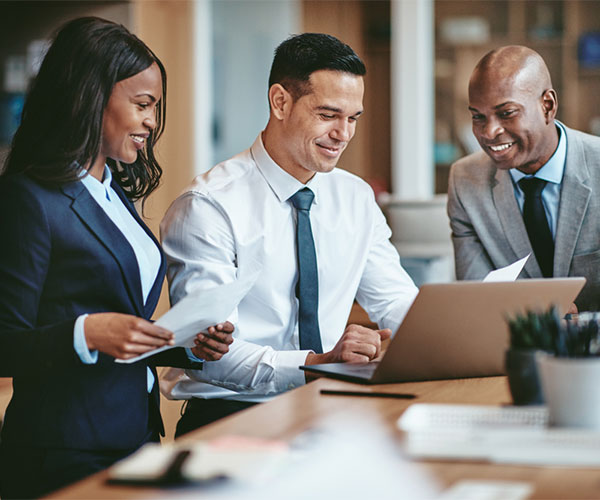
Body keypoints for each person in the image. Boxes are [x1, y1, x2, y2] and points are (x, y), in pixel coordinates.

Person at [0, 17, 233, 498]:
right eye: (143, 104)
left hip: (136, 437)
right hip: (62, 454)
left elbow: (120, 331)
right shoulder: (29, 199)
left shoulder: (112, 192)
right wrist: (87, 332)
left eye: (156, 107)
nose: (152, 121)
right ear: (89, 97)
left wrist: (184, 345)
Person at [160, 33, 418, 437]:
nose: (344, 134)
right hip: (232, 421)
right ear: (280, 102)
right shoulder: (208, 205)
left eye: (353, 118)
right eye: (329, 114)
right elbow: (212, 356)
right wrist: (320, 362)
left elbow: (395, 300)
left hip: (333, 412)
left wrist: (444, 336)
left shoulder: (355, 197)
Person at [447, 45, 600, 312]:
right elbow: (477, 297)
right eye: (478, 117)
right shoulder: (465, 181)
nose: (489, 131)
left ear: (547, 106)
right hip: (514, 345)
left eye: (507, 113)